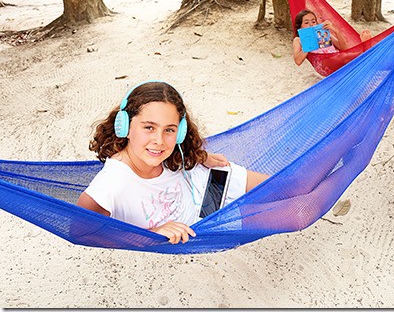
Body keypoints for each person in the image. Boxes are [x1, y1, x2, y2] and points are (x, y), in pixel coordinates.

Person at [77, 81, 268, 244]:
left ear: (180, 132)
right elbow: (80, 232)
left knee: (283, 186)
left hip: (205, 183)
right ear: (124, 127)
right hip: (204, 225)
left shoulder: (172, 152)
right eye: (149, 127)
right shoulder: (111, 184)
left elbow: (181, 152)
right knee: (288, 216)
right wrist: (152, 235)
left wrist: (201, 157)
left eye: (169, 130)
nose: (159, 141)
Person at [292, 8, 394, 76]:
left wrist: (335, 30)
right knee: (358, 58)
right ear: (300, 26)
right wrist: (308, 45)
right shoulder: (298, 40)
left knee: (362, 63)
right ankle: (366, 49)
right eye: (306, 22)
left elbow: (343, 47)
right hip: (325, 64)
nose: (311, 24)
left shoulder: (323, 34)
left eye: (313, 21)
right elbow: (298, 61)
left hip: (338, 57)